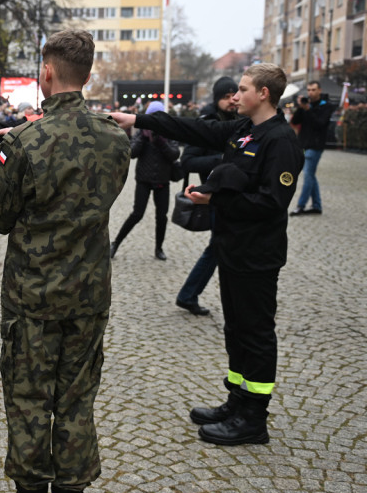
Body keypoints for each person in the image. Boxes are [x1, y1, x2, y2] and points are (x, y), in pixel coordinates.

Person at [0, 29, 130, 493]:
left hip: (32, 298)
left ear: (46, 72)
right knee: (76, 400)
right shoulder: (114, 137)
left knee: (27, 400)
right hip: (88, 295)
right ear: (88, 74)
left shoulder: (23, 142)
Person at [110, 63, 304, 447]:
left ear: (263, 94)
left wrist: (218, 197)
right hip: (231, 246)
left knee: (256, 333)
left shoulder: (280, 140)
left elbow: (271, 201)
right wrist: (137, 118)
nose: (236, 96)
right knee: (235, 328)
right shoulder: (243, 129)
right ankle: (237, 401)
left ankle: (254, 418)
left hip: (257, 253)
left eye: (243, 89)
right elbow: (194, 129)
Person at [174, 77, 239, 316]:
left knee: (220, 247)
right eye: (226, 97)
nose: (231, 100)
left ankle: (188, 294)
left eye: (234, 95)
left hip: (234, 194)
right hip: (214, 196)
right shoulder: (207, 121)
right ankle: (188, 294)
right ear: (217, 99)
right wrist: (220, 161)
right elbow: (187, 160)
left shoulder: (240, 120)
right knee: (218, 247)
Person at [109, 100, 180, 261]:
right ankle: (115, 243)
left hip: (163, 179)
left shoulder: (169, 132)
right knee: (137, 214)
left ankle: (159, 248)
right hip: (144, 179)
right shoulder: (141, 132)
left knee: (161, 216)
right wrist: (144, 137)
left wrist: (161, 141)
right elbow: (132, 152)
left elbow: (175, 154)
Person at [289, 80, 333, 216]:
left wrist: (309, 110)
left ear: (319, 90)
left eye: (313, 90)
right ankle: (317, 206)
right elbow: (295, 121)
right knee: (311, 175)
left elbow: (320, 124)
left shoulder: (326, 106)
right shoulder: (306, 105)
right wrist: (300, 108)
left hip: (316, 145)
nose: (310, 92)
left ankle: (301, 205)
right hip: (304, 144)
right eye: (308, 90)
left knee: (308, 175)